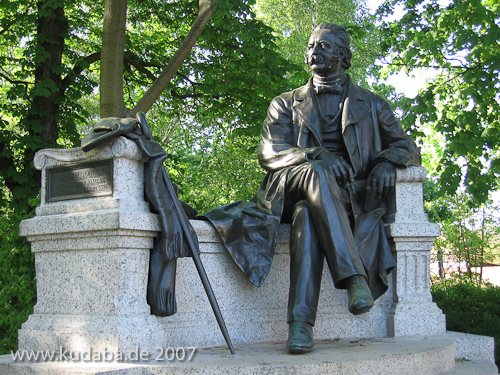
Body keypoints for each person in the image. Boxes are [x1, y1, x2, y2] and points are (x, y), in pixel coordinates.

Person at [204, 23, 420, 354]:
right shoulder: (285, 103)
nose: (314, 50)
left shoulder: (373, 105)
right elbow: (269, 153)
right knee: (315, 175)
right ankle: (354, 279)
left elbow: (406, 147)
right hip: (286, 190)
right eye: (311, 45)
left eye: (325, 45)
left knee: (308, 217)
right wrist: (314, 154)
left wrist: (386, 162)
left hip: (343, 198)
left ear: (344, 56)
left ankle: (300, 327)